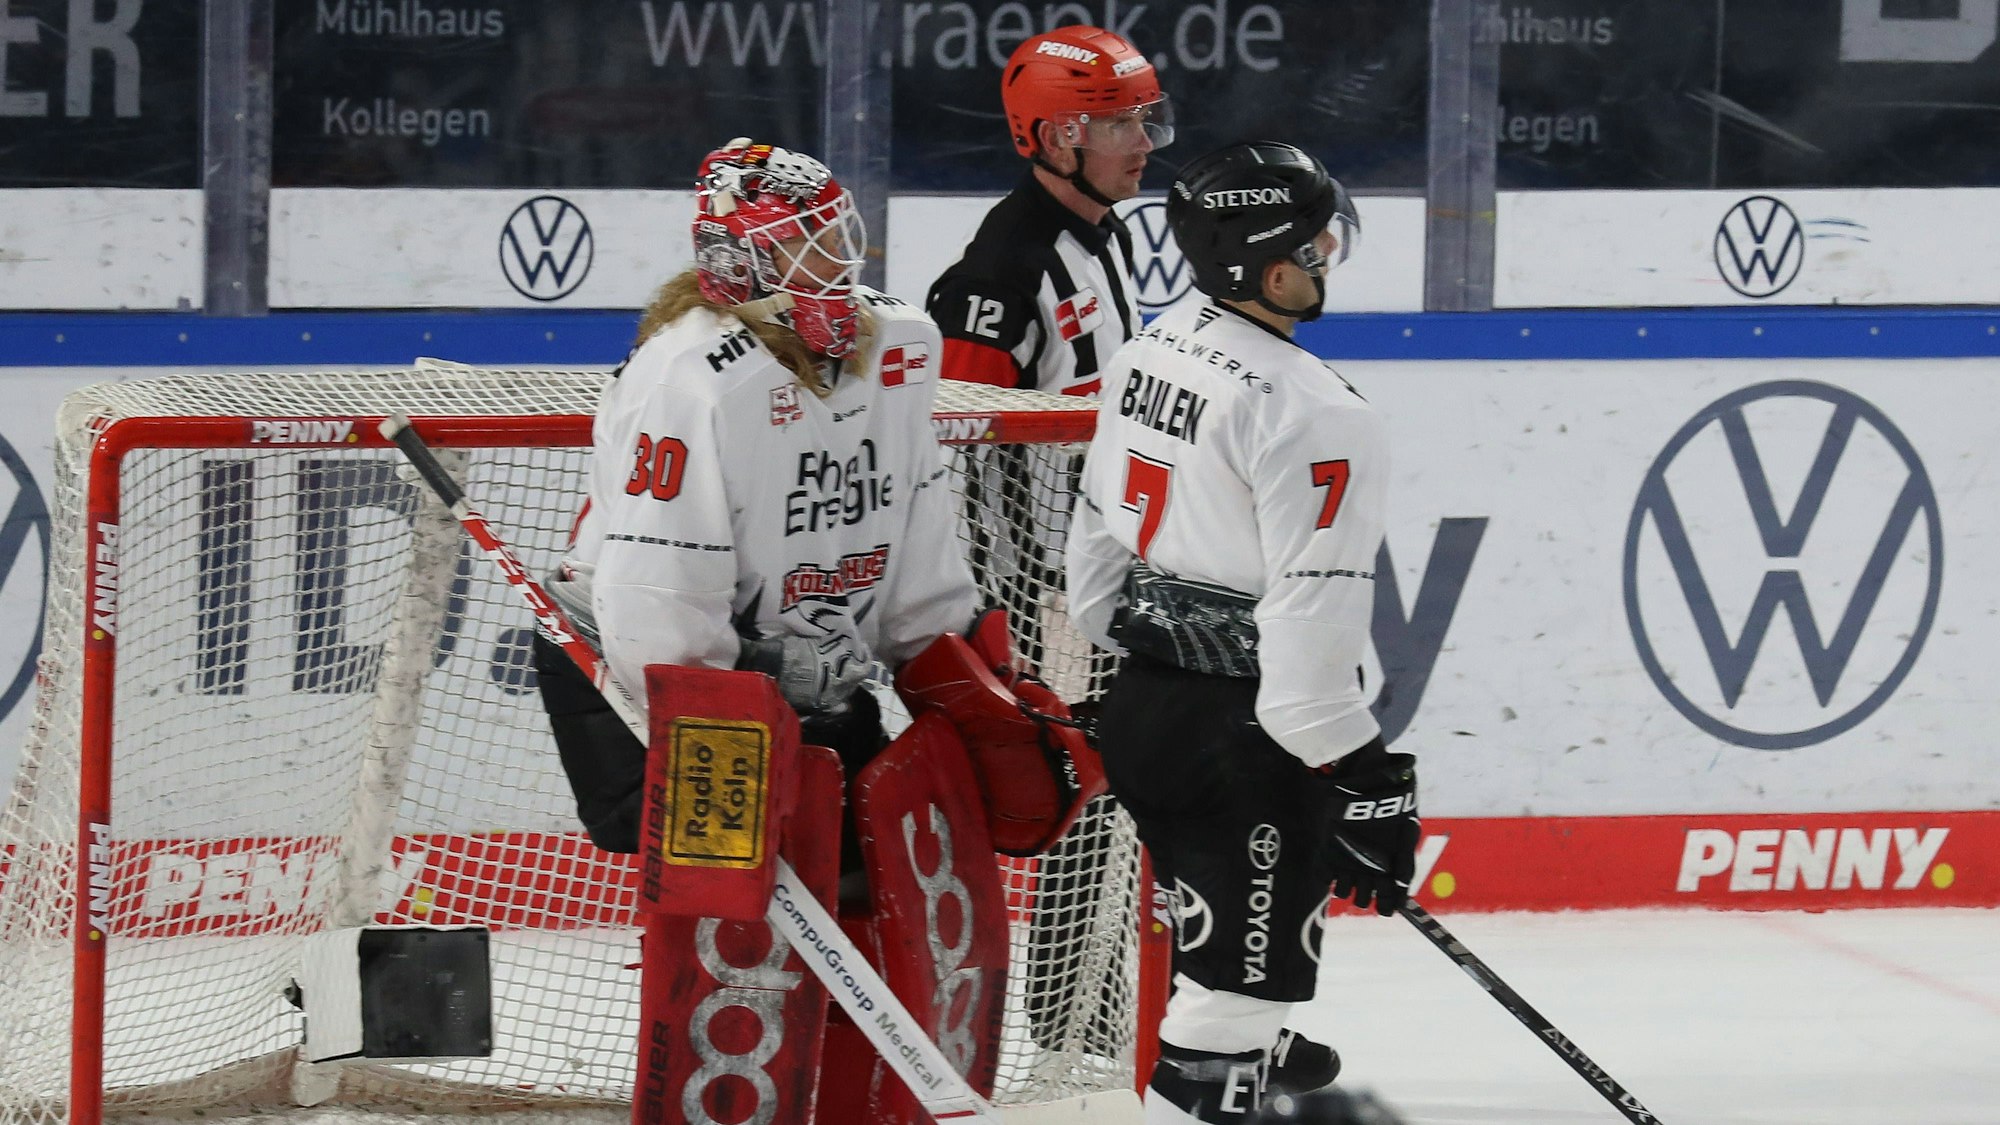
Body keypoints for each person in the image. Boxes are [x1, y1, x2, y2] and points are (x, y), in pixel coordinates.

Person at [1064, 141, 1421, 1124]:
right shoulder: (1315, 415)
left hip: (1144, 711)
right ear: (1265, 263)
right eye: (1314, 243)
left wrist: (1139, 670)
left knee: (1229, 955)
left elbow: (1093, 552)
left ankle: (1255, 1038)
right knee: (1228, 996)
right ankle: (1234, 1044)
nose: (1326, 257)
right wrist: (1367, 778)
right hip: (1244, 740)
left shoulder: (1152, 345)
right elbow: (1305, 658)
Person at [534, 137, 980, 865]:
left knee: (858, 869)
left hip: (792, 669)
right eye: (809, 243)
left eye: (838, 234)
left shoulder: (897, 347)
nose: (839, 260)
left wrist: (958, 671)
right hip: (626, 669)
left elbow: (915, 550)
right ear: (741, 262)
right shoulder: (690, 380)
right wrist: (753, 711)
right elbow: (656, 612)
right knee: (727, 918)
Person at [924, 22, 1171, 1063]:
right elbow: (948, 450)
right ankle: (1065, 1032)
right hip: (1032, 597)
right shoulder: (1002, 268)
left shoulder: (1100, 237)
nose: (1143, 140)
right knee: (1078, 797)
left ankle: (1088, 1022)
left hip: (1091, 580)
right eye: (1118, 122)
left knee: (1118, 793)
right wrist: (993, 609)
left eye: (1145, 116)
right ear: (1055, 135)